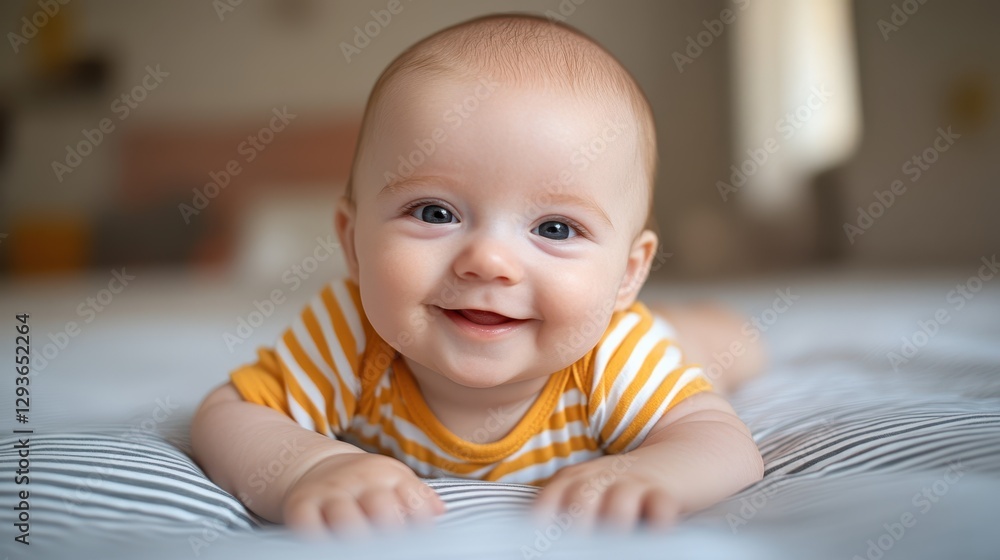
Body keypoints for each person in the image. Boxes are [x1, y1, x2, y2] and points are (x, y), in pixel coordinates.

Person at [190, 13, 765, 537]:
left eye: (555, 228)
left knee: (711, 344)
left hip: (648, 337)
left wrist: (655, 471)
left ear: (627, 275)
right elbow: (230, 414)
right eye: (434, 213)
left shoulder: (615, 356)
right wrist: (310, 466)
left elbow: (722, 443)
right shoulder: (351, 332)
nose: (488, 261)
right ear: (353, 241)